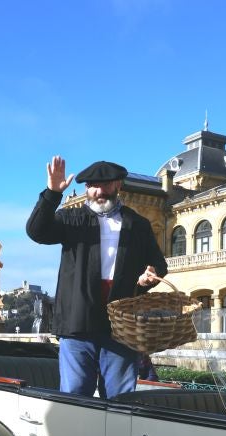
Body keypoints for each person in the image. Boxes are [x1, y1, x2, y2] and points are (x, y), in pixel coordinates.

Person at [26, 156, 168, 399]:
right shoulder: (70, 219)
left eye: (106, 184)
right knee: (74, 396)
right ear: (86, 189)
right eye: (93, 185)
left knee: (120, 400)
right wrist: (52, 193)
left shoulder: (138, 224)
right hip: (77, 323)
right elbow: (36, 231)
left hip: (121, 327)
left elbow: (158, 265)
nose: (99, 191)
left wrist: (147, 278)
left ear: (118, 186)